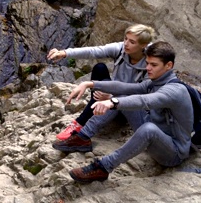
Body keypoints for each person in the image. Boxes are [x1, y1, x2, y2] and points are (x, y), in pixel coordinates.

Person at [52, 41, 193, 183]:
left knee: (148, 129)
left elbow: (145, 101)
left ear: (169, 66)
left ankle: (103, 167)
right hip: (154, 131)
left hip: (173, 152)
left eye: (154, 65)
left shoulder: (175, 90)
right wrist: (90, 84)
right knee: (123, 96)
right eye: (148, 63)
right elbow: (125, 87)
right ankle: (83, 137)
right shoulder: (156, 81)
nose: (148, 68)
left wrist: (111, 102)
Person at [46, 24, 156, 140]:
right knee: (100, 68)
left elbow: (143, 92)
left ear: (143, 45)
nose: (126, 44)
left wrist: (112, 96)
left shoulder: (152, 62)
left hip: (131, 105)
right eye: (125, 39)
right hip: (112, 96)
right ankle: (87, 116)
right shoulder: (120, 49)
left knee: (114, 91)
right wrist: (65, 53)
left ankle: (81, 123)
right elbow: (94, 51)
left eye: (132, 42)